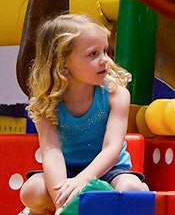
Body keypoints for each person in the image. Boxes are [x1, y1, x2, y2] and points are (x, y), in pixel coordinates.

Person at [21, 14, 149, 214]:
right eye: (93, 54)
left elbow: (112, 148)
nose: (105, 60)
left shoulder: (115, 94)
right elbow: (51, 151)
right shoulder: (46, 101)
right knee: (31, 192)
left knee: (132, 189)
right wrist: (61, 202)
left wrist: (84, 180)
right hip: (67, 170)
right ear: (63, 61)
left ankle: (100, 201)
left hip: (109, 171)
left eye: (105, 51)